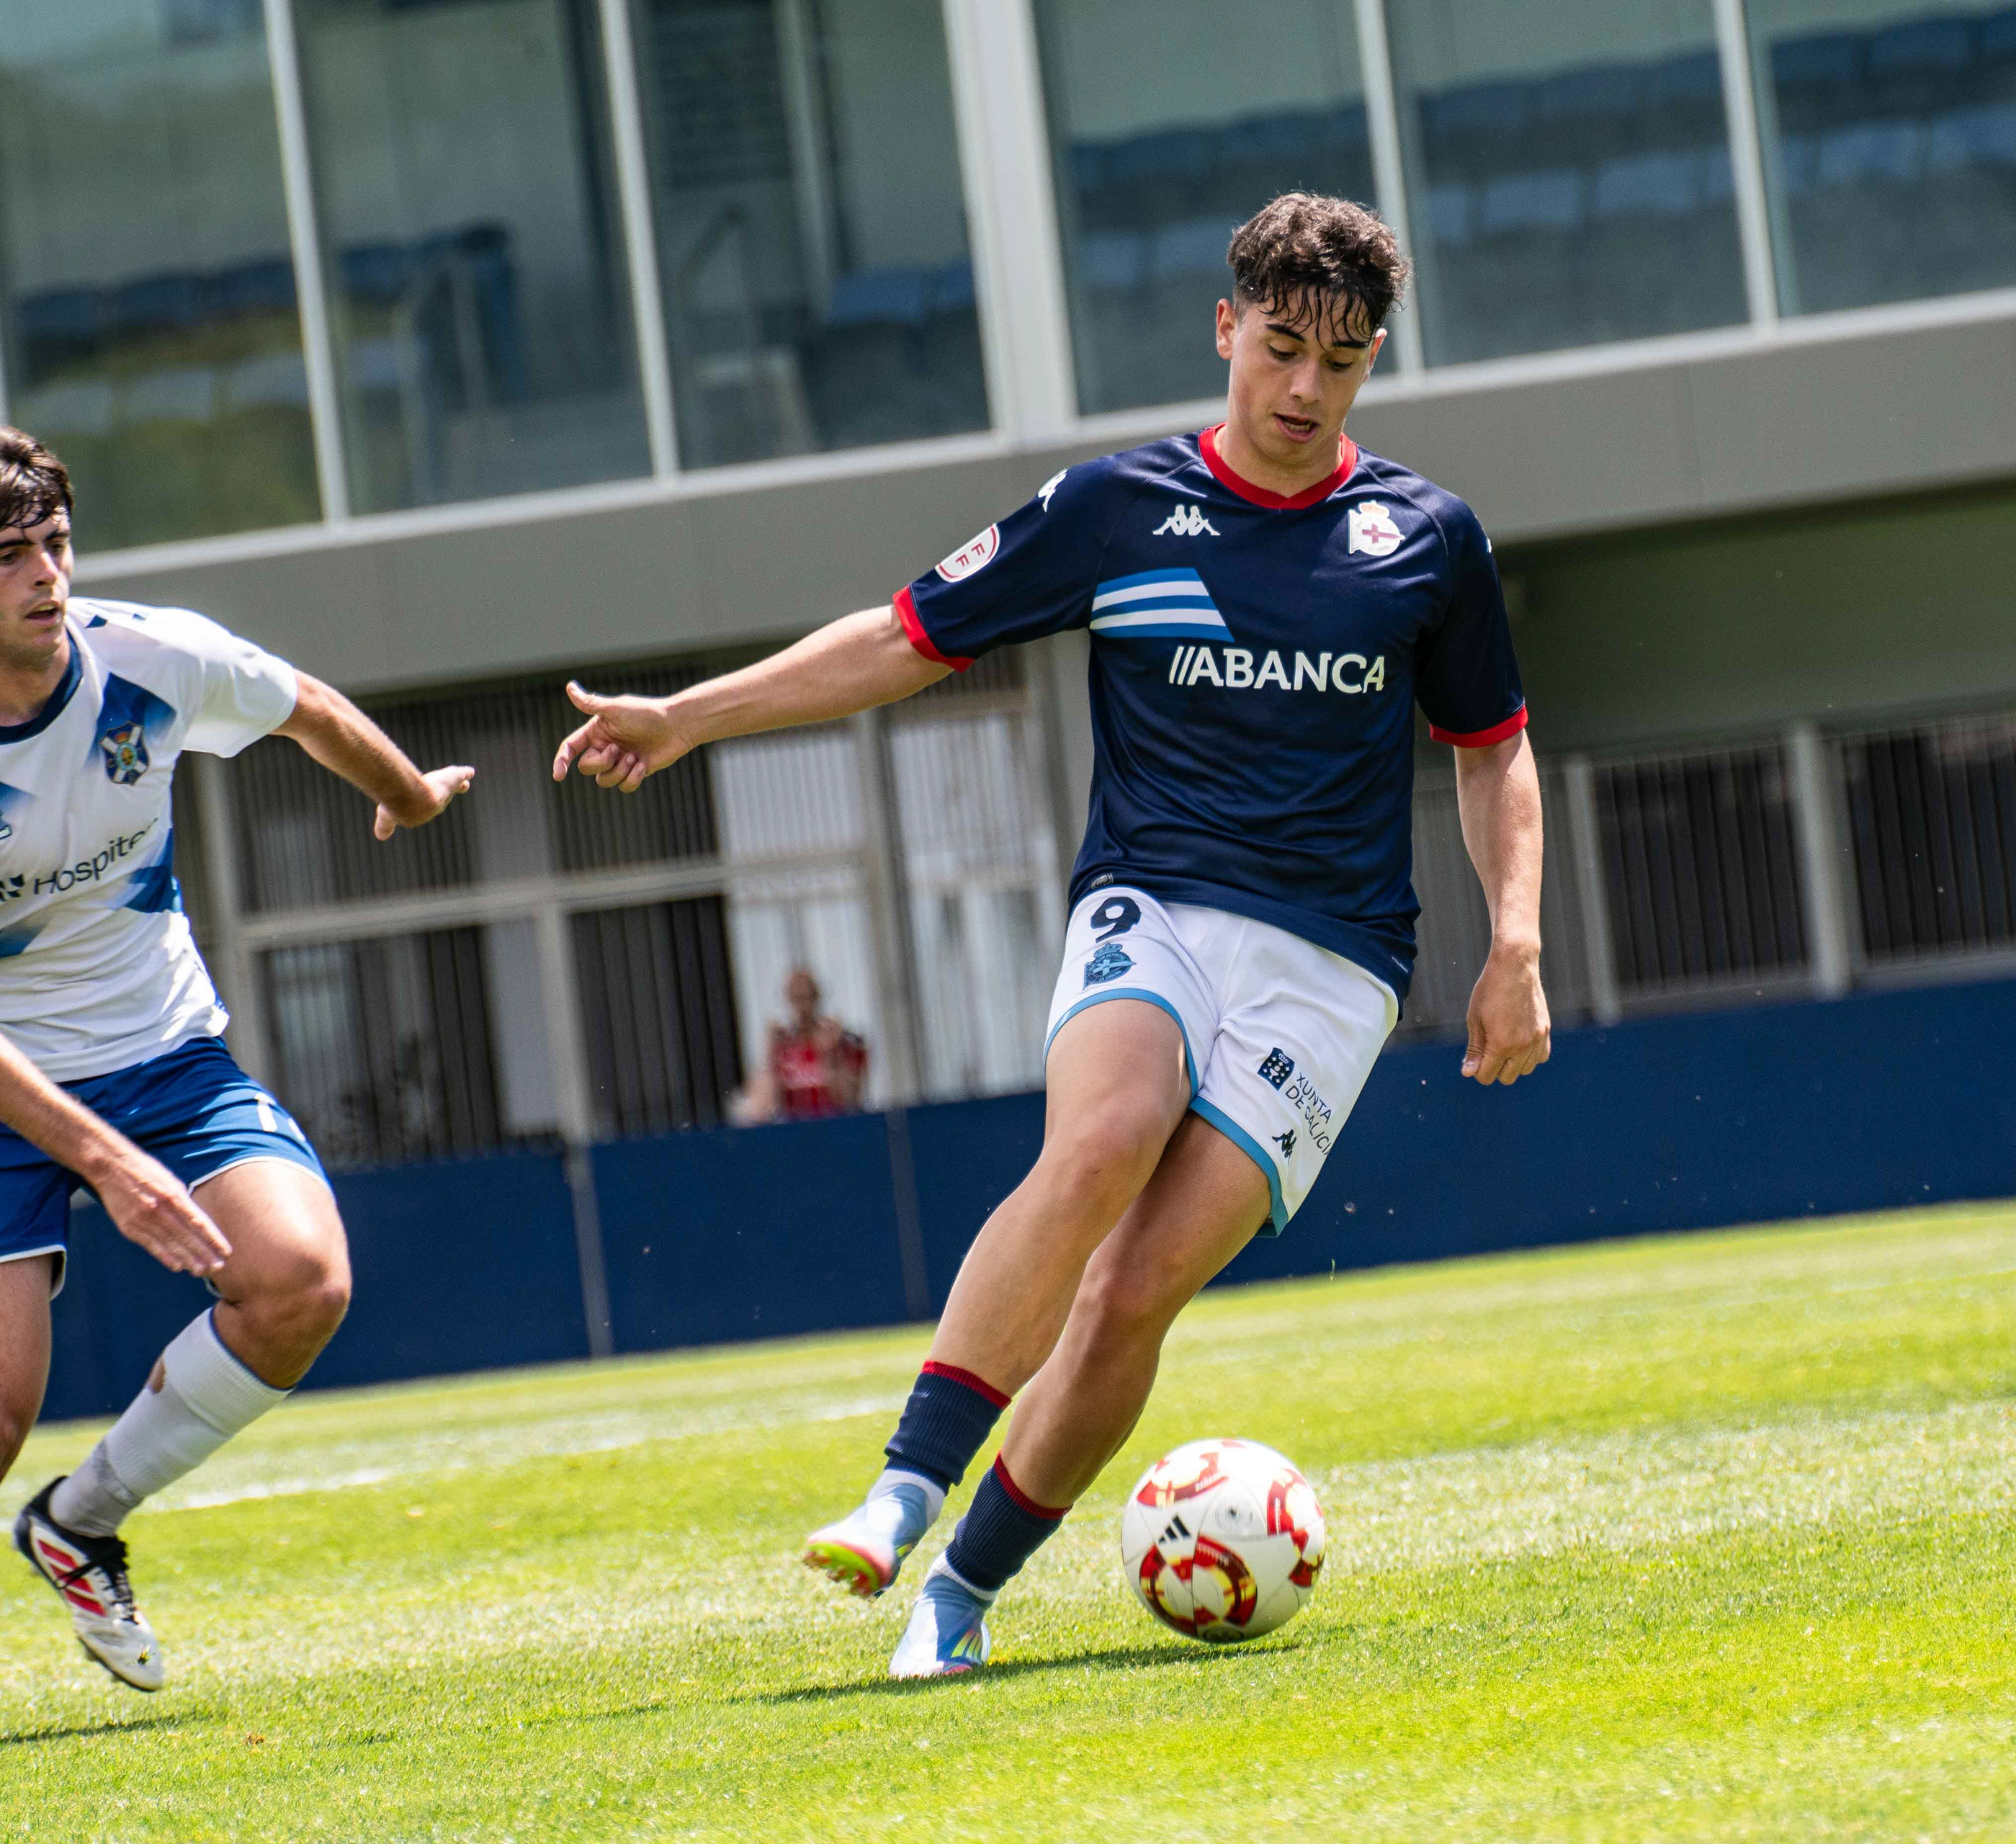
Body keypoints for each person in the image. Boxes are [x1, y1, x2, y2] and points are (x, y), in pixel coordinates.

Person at [554, 193, 1549, 1676]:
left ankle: (958, 1596)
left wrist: (1515, 942)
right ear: (1226, 328)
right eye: (1279, 348)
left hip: (1334, 964)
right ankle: (905, 1485)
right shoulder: (1115, 508)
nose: (1302, 387)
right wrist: (687, 718)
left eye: (1339, 363)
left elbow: (1492, 748)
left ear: (1372, 360)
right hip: (1154, 900)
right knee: (1104, 1136)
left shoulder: (1427, 538)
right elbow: (903, 636)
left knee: (1133, 1290)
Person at [0, 428, 474, 1688]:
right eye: (8, 557)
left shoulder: (149, 658)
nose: (45, 576)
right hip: (6, 1090)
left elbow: (306, 707)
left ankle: (78, 1523)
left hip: (164, 1054)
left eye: (55, 544)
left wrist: (409, 796)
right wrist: (111, 1168)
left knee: (302, 1281)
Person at [733, 967, 869, 1124]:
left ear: (817, 998)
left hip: (832, 1125)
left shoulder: (838, 1042)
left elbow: (851, 1100)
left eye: (807, 998)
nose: (802, 1007)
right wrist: (771, 1054)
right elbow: (759, 1108)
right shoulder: (783, 1048)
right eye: (796, 999)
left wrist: (833, 1054)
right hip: (794, 1129)